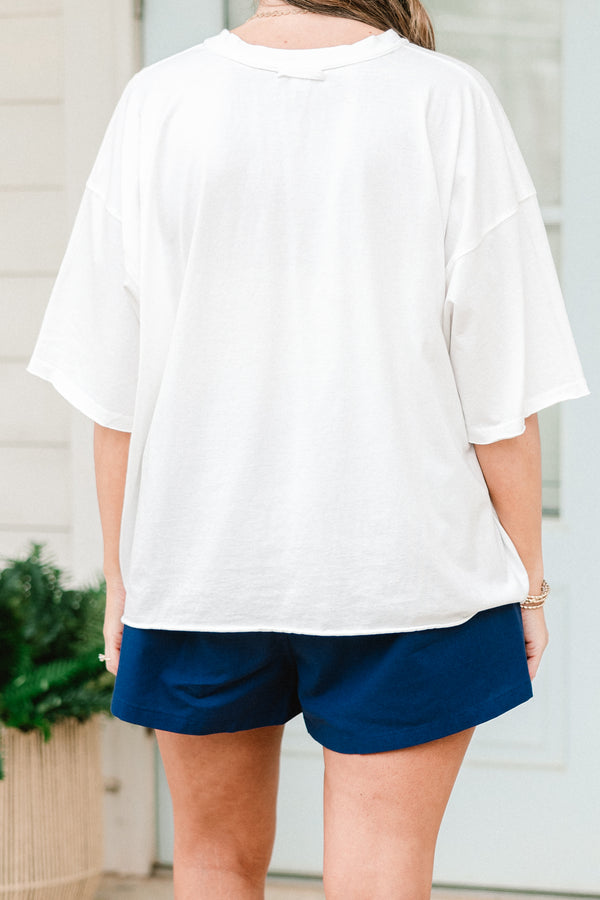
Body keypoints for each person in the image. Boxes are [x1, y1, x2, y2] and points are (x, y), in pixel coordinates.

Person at [26, 0, 590, 897]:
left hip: (200, 565)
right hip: (405, 572)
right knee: (380, 872)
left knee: (212, 861)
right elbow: (501, 391)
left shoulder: (159, 101)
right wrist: (529, 579)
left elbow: (115, 396)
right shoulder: (444, 99)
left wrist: (124, 580)